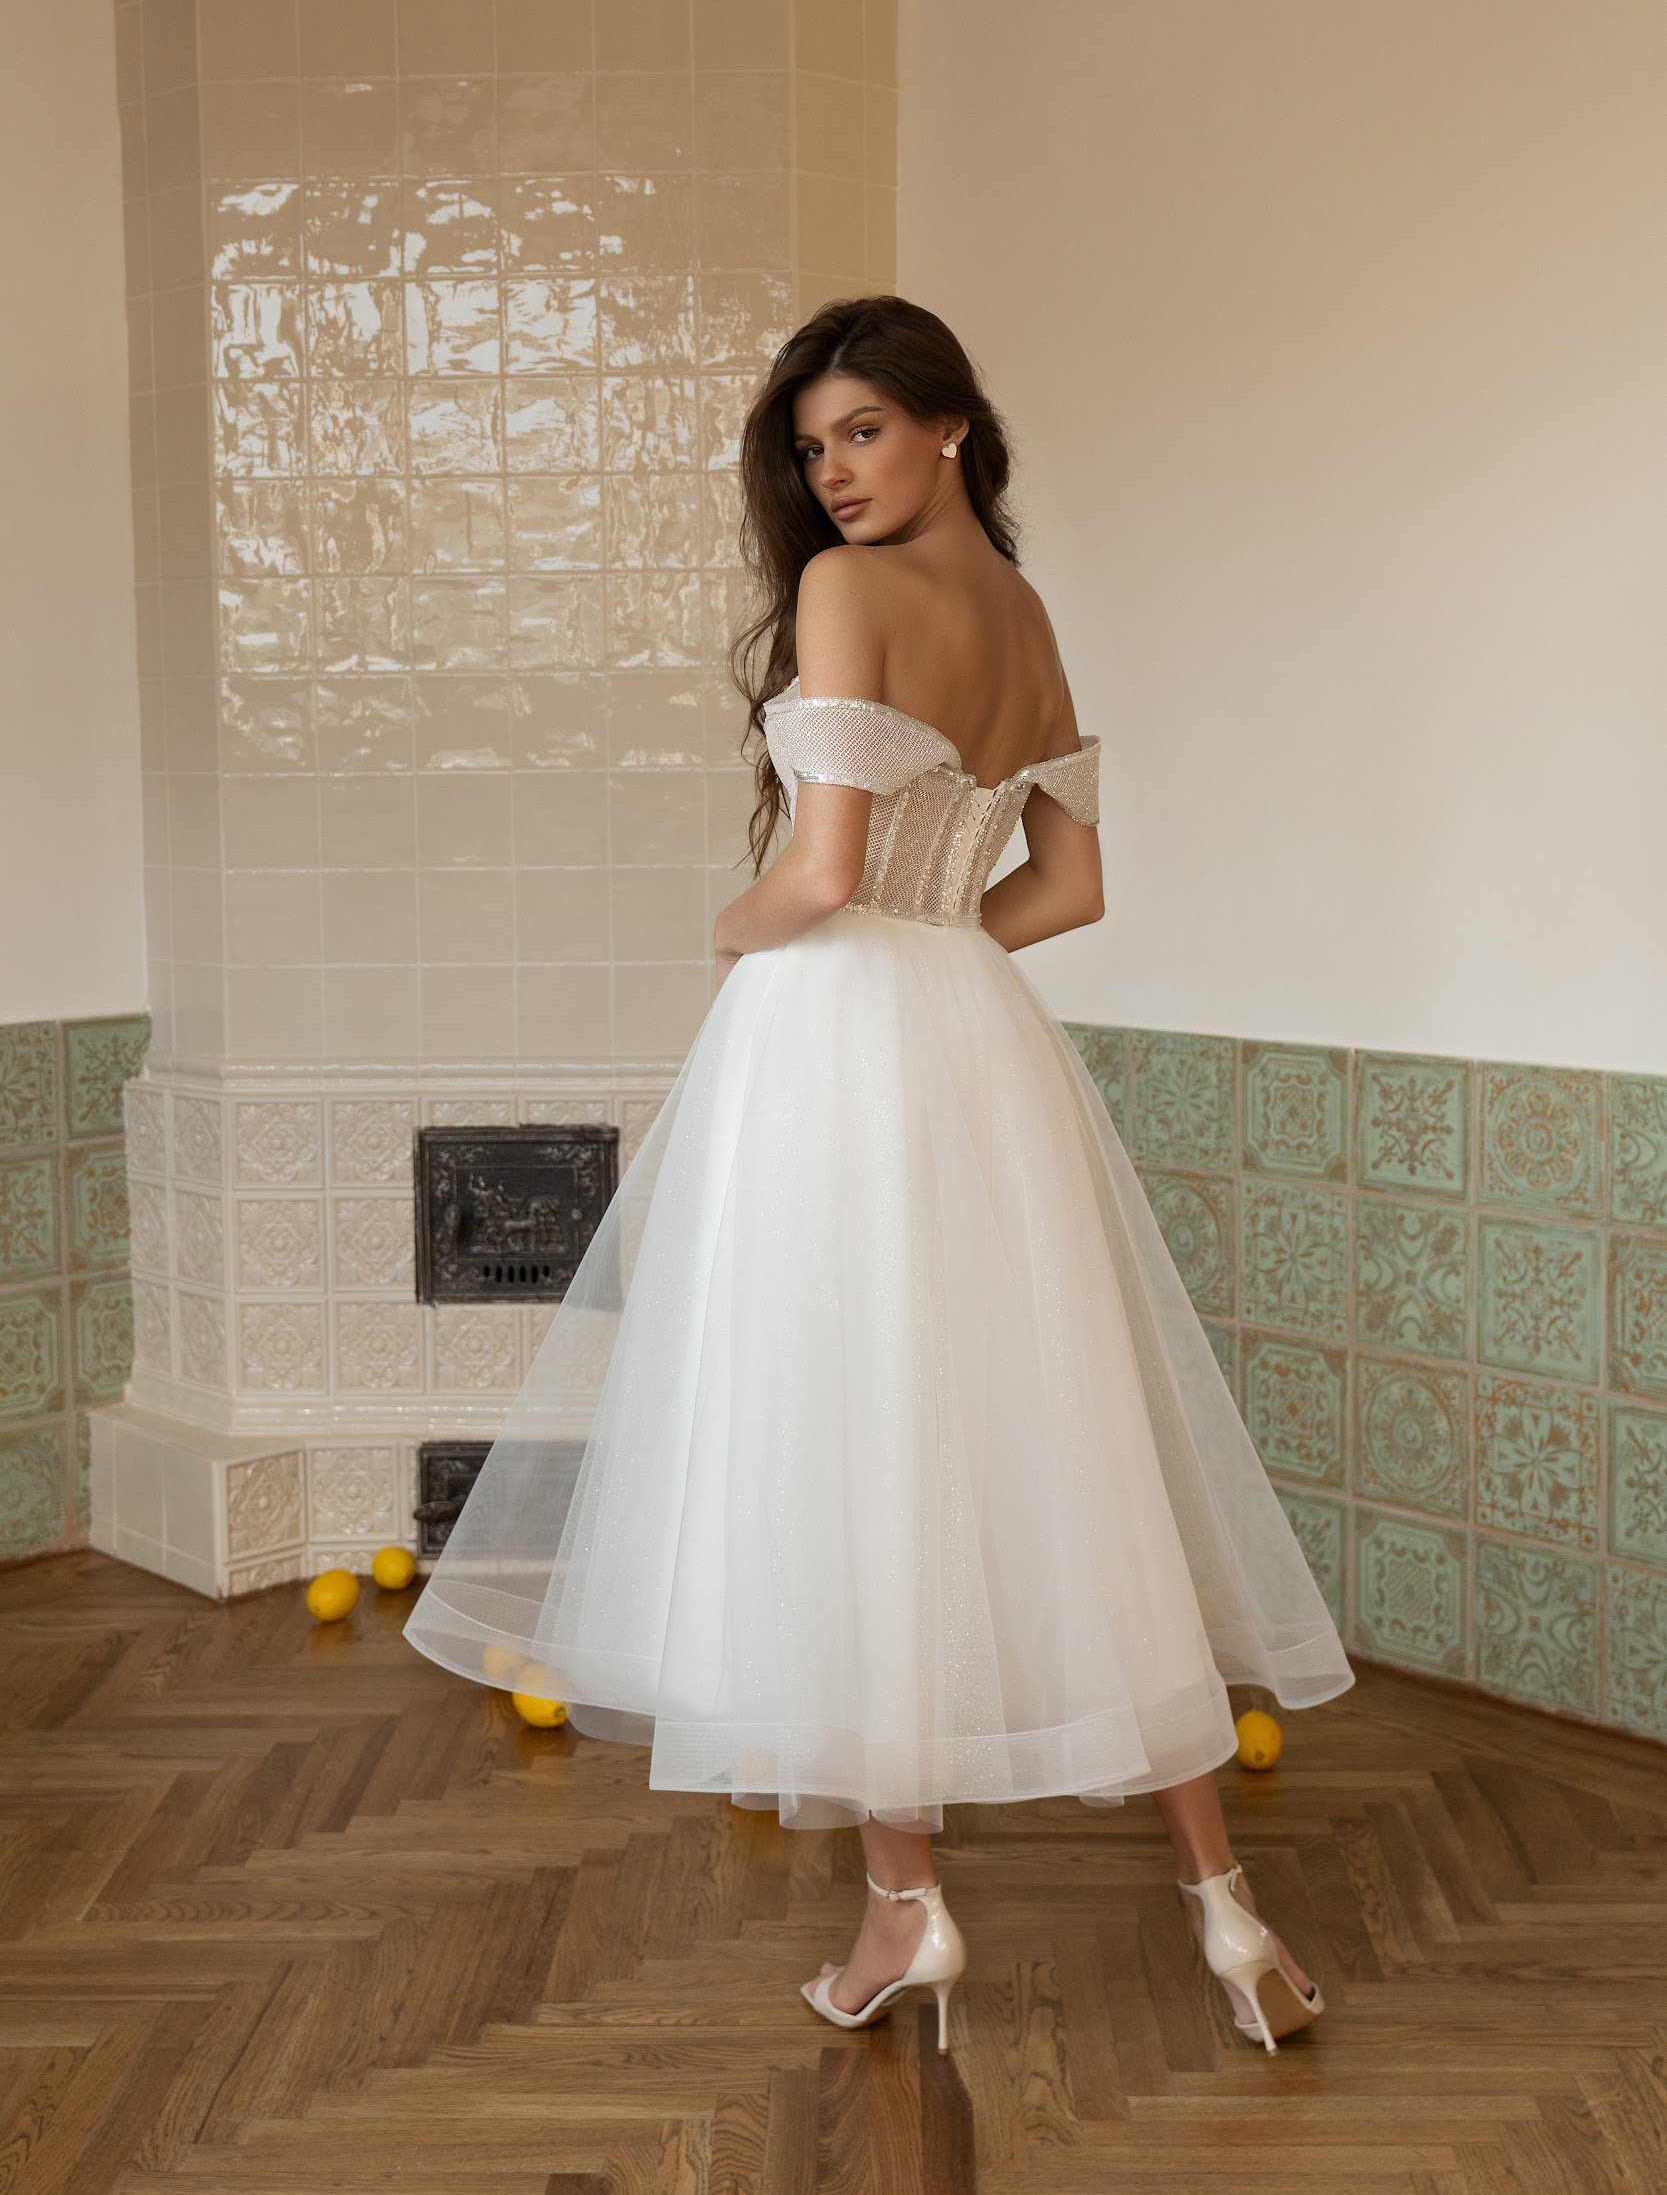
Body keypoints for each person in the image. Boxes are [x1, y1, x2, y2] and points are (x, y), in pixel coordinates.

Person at [404, 295, 1354, 2060]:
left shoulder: (849, 593)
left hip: (832, 1041)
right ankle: (1226, 1907)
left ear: (951, 426)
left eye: (862, 431)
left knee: (842, 1441)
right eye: (812, 446)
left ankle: (907, 1910)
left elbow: (822, 875)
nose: (833, 475)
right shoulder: (1028, 615)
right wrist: (946, 957)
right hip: (973, 1039)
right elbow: (1067, 890)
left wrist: (731, 934)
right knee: (1059, 1444)